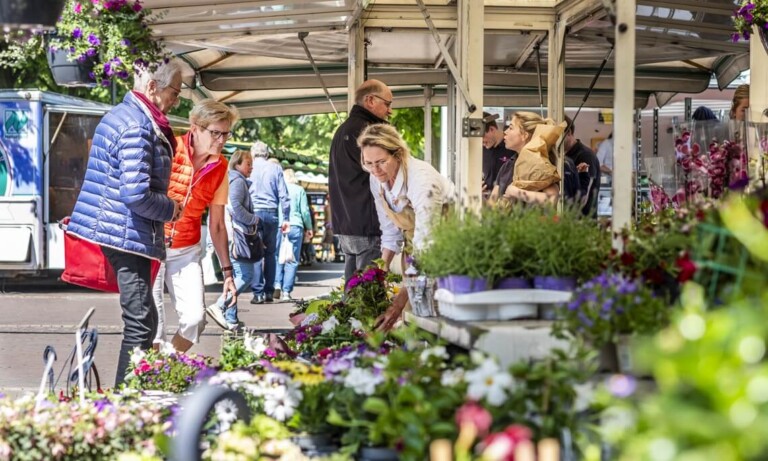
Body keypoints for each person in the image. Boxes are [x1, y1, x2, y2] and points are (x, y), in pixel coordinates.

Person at [66, 60, 183, 386]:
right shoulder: (136, 126)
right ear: (153, 87)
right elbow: (135, 194)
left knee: (146, 316)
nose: (177, 99)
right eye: (175, 91)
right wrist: (171, 208)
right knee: (141, 319)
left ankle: (130, 393)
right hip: (124, 231)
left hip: (125, 229)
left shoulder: (134, 118)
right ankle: (124, 399)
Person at [152, 99, 239, 352]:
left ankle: (164, 367)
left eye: (226, 134)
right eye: (215, 133)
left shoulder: (221, 167)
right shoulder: (168, 149)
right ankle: (151, 377)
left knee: (195, 320)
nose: (221, 140)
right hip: (152, 245)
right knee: (153, 327)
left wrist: (228, 273)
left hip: (186, 249)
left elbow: (218, 225)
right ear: (195, 127)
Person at [358, 123, 455, 331]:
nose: (375, 170)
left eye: (381, 162)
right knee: (412, 316)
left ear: (398, 154)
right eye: (368, 163)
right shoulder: (377, 180)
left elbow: (427, 244)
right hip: (414, 251)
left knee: (435, 317)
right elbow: (391, 232)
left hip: (446, 249)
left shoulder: (421, 178)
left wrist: (398, 302)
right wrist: (377, 274)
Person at [329, 79, 393, 284]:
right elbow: (382, 174)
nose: (390, 111)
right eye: (388, 104)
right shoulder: (367, 131)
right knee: (368, 297)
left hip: (347, 224)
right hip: (367, 223)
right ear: (370, 100)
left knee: (353, 292)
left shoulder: (342, 130)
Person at [208, 150, 259, 329]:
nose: (251, 167)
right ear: (237, 164)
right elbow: (236, 207)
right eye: (248, 164)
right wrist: (253, 219)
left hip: (227, 234)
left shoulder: (230, 179)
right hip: (235, 236)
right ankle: (220, 305)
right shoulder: (237, 181)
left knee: (235, 276)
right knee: (246, 275)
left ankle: (231, 319)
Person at [249, 141, 291, 304]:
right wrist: (286, 217)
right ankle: (268, 292)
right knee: (270, 253)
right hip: (272, 213)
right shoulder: (275, 168)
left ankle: (257, 293)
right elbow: (284, 196)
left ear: (253, 153)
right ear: (266, 154)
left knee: (256, 253)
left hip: (253, 214)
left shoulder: (249, 167)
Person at [500, 111, 564, 205]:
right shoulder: (508, 165)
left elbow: (552, 198)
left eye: (510, 128)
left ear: (524, 135)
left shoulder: (540, 164)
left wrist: (515, 192)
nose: (505, 132)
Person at [274, 169, 313, 301]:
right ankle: (286, 292)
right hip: (296, 226)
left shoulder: (279, 189)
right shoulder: (299, 190)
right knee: (292, 259)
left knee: (279, 256)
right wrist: (309, 227)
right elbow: (305, 211)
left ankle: (277, 284)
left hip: (280, 225)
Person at [563, 115, 601, 217]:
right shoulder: (564, 156)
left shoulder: (585, 155)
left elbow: (583, 197)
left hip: (583, 222)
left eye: (557, 136)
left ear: (569, 133)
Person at [482, 112, 516, 194]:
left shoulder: (512, 146)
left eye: (482, 137)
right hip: (488, 201)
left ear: (492, 129)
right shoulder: (482, 149)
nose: (482, 143)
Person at [321, 194, 335, 262]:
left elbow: (325, 217)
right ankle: (327, 256)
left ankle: (326, 256)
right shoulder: (334, 207)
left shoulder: (326, 207)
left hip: (328, 226)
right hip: (332, 226)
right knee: (329, 241)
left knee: (326, 241)